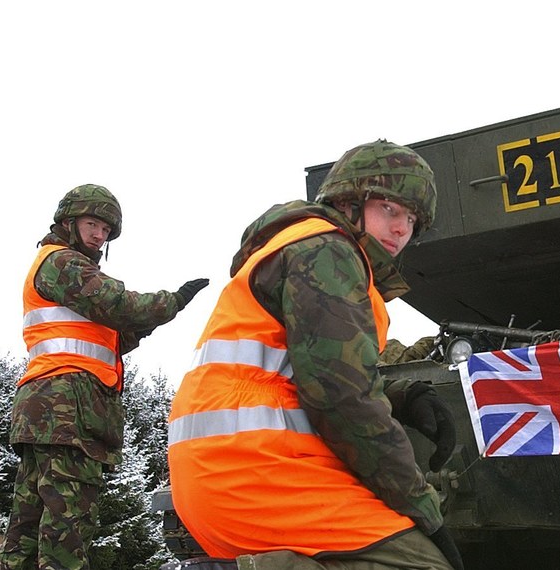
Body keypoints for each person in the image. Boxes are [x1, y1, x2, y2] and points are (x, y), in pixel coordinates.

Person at [168, 140, 463, 570]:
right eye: (390, 209)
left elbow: (300, 374)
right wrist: (426, 511)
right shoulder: (328, 250)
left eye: (412, 219)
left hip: (224, 468)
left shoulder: (304, 247)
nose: (402, 229)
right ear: (348, 204)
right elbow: (340, 399)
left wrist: (400, 397)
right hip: (252, 469)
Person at [1, 184, 210, 570]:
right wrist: (171, 302)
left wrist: (147, 322)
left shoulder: (63, 274)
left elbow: (112, 336)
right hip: (66, 410)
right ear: (69, 221)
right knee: (68, 523)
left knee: (27, 527)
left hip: (45, 411)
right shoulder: (61, 262)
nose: (100, 235)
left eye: (106, 231)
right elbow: (117, 303)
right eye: (93, 224)